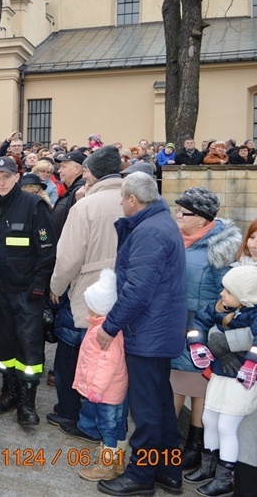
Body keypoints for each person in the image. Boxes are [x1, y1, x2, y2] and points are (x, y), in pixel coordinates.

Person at [96, 171, 187, 496]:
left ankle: (141, 476)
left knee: (146, 410)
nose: (121, 203)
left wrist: (110, 326)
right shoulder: (160, 223)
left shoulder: (150, 231)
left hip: (149, 332)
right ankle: (169, 471)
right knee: (161, 405)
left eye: (123, 198)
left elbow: (137, 291)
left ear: (133, 200)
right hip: (158, 329)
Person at [48, 146, 124, 436]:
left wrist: (56, 287)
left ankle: (71, 414)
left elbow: (68, 257)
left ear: (91, 172)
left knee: (71, 355)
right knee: (111, 362)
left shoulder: (86, 206)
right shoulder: (134, 201)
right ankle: (103, 421)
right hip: (123, 294)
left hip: (88, 296)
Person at [171, 187, 241, 471]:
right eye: (177, 210)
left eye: (183, 212)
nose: (177, 216)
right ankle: (184, 448)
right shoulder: (179, 239)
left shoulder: (219, 247)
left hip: (198, 329)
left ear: (201, 219)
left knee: (190, 387)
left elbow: (228, 295)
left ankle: (187, 448)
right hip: (174, 324)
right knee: (188, 387)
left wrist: (204, 325)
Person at [0, 156, 56, 427]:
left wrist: (39, 284)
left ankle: (27, 401)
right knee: (4, 344)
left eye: (7, 177)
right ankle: (9, 392)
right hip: (1, 290)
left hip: (27, 292)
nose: (1, 182)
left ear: (17, 177)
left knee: (29, 347)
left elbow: (47, 250)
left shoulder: (34, 205)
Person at [185, 266, 257, 496]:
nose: (222, 293)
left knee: (227, 426)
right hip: (219, 373)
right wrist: (197, 344)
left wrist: (251, 363)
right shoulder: (220, 307)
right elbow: (197, 324)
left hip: (241, 379)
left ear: (244, 296)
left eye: (228, 291)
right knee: (209, 418)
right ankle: (208, 466)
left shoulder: (254, 315)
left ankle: (224, 478)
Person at [73, 269, 128, 483]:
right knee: (118, 424)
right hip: (114, 389)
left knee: (108, 427)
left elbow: (107, 363)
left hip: (105, 392)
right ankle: (118, 461)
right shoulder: (105, 326)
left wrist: (96, 389)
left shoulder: (102, 332)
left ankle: (106, 466)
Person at [51, 151, 87, 239]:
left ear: (77, 169)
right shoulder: (72, 190)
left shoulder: (80, 191)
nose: (59, 170)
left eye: (63, 167)